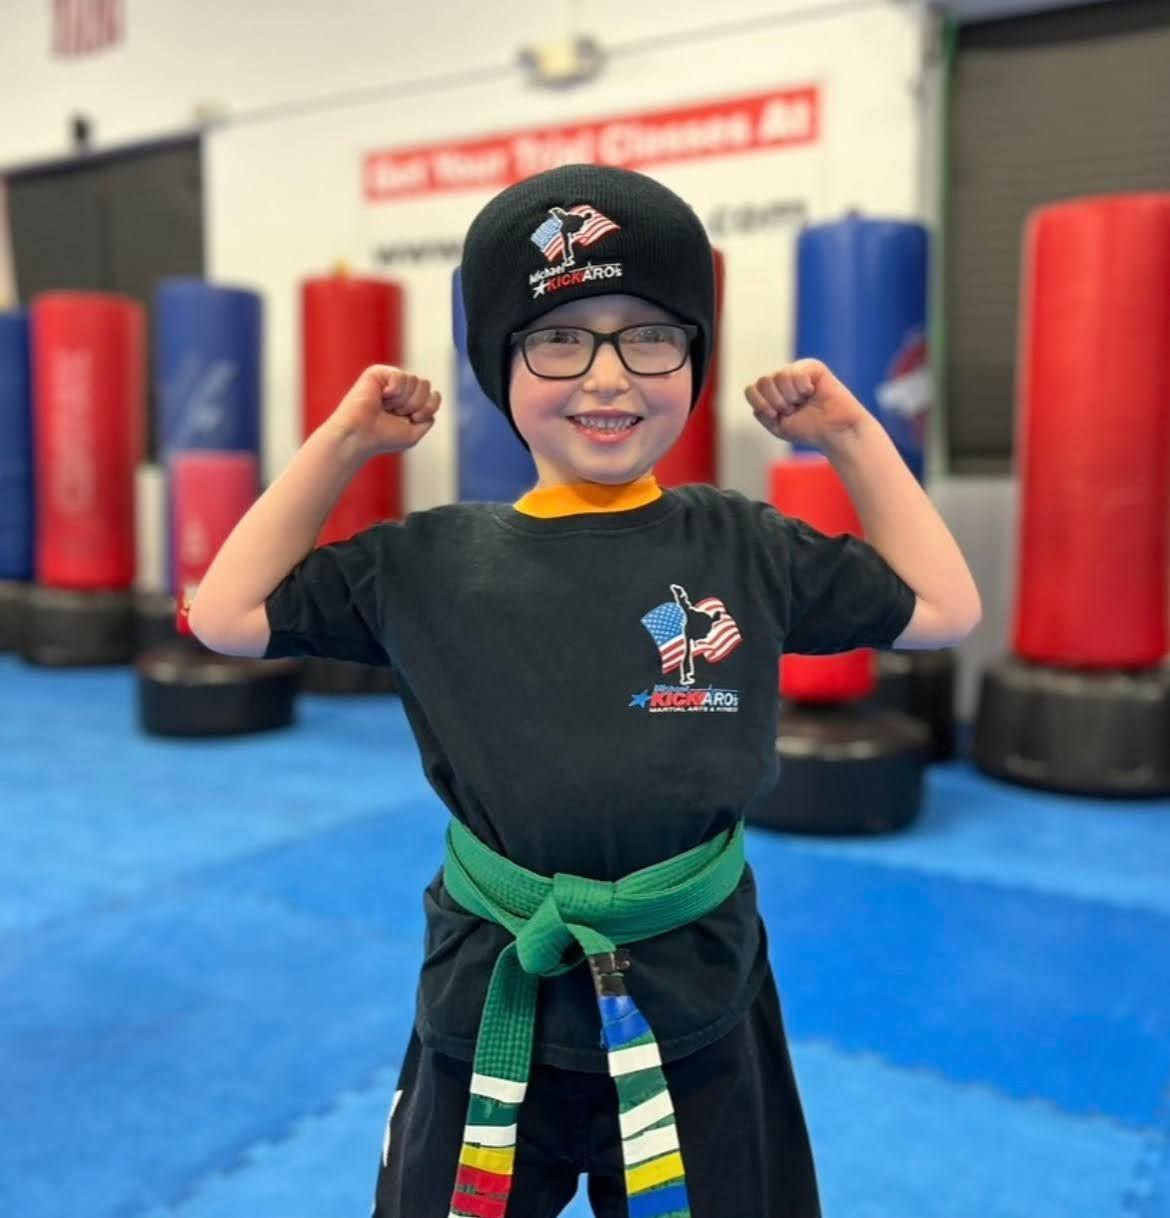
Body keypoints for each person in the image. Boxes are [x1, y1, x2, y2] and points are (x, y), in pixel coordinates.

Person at [188, 163, 981, 1218]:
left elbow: (944, 608)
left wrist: (850, 433)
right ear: (501, 366)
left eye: (650, 337)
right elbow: (226, 616)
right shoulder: (429, 563)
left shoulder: (743, 547)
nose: (608, 377)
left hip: (695, 995)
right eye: (559, 340)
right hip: (493, 994)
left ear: (693, 358)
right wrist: (341, 445)